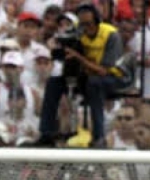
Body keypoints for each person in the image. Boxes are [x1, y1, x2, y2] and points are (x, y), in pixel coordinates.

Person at [39, 4, 131, 146]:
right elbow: (64, 45)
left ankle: (98, 136)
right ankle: (46, 132)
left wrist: (78, 57)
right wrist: (57, 45)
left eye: (89, 24)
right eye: (82, 24)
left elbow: (104, 71)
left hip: (117, 77)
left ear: (97, 22)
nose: (86, 28)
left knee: (94, 83)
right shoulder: (78, 32)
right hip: (89, 75)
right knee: (54, 83)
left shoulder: (111, 35)